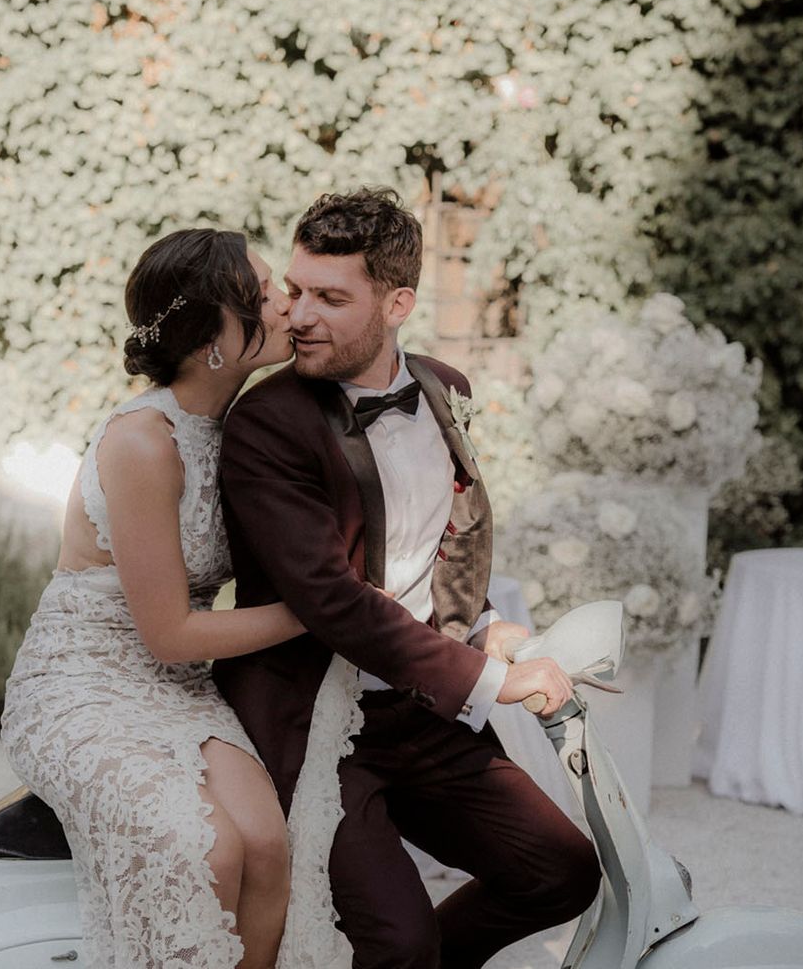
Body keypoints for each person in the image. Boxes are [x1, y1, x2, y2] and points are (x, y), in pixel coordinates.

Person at [214, 188, 602, 969]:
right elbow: (330, 600)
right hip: (315, 716)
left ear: (398, 303)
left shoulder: (443, 387)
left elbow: (442, 535)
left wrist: (480, 619)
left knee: (561, 871)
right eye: (296, 290)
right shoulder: (266, 424)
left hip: (421, 711)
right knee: (400, 940)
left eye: (330, 297)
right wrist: (496, 679)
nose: (298, 316)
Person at [1, 229, 305, 969]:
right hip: (81, 683)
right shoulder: (144, 441)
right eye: (261, 293)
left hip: (175, 687)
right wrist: (318, 614)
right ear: (213, 337)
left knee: (268, 843)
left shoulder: (237, 425)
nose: (284, 299)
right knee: (201, 843)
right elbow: (169, 631)